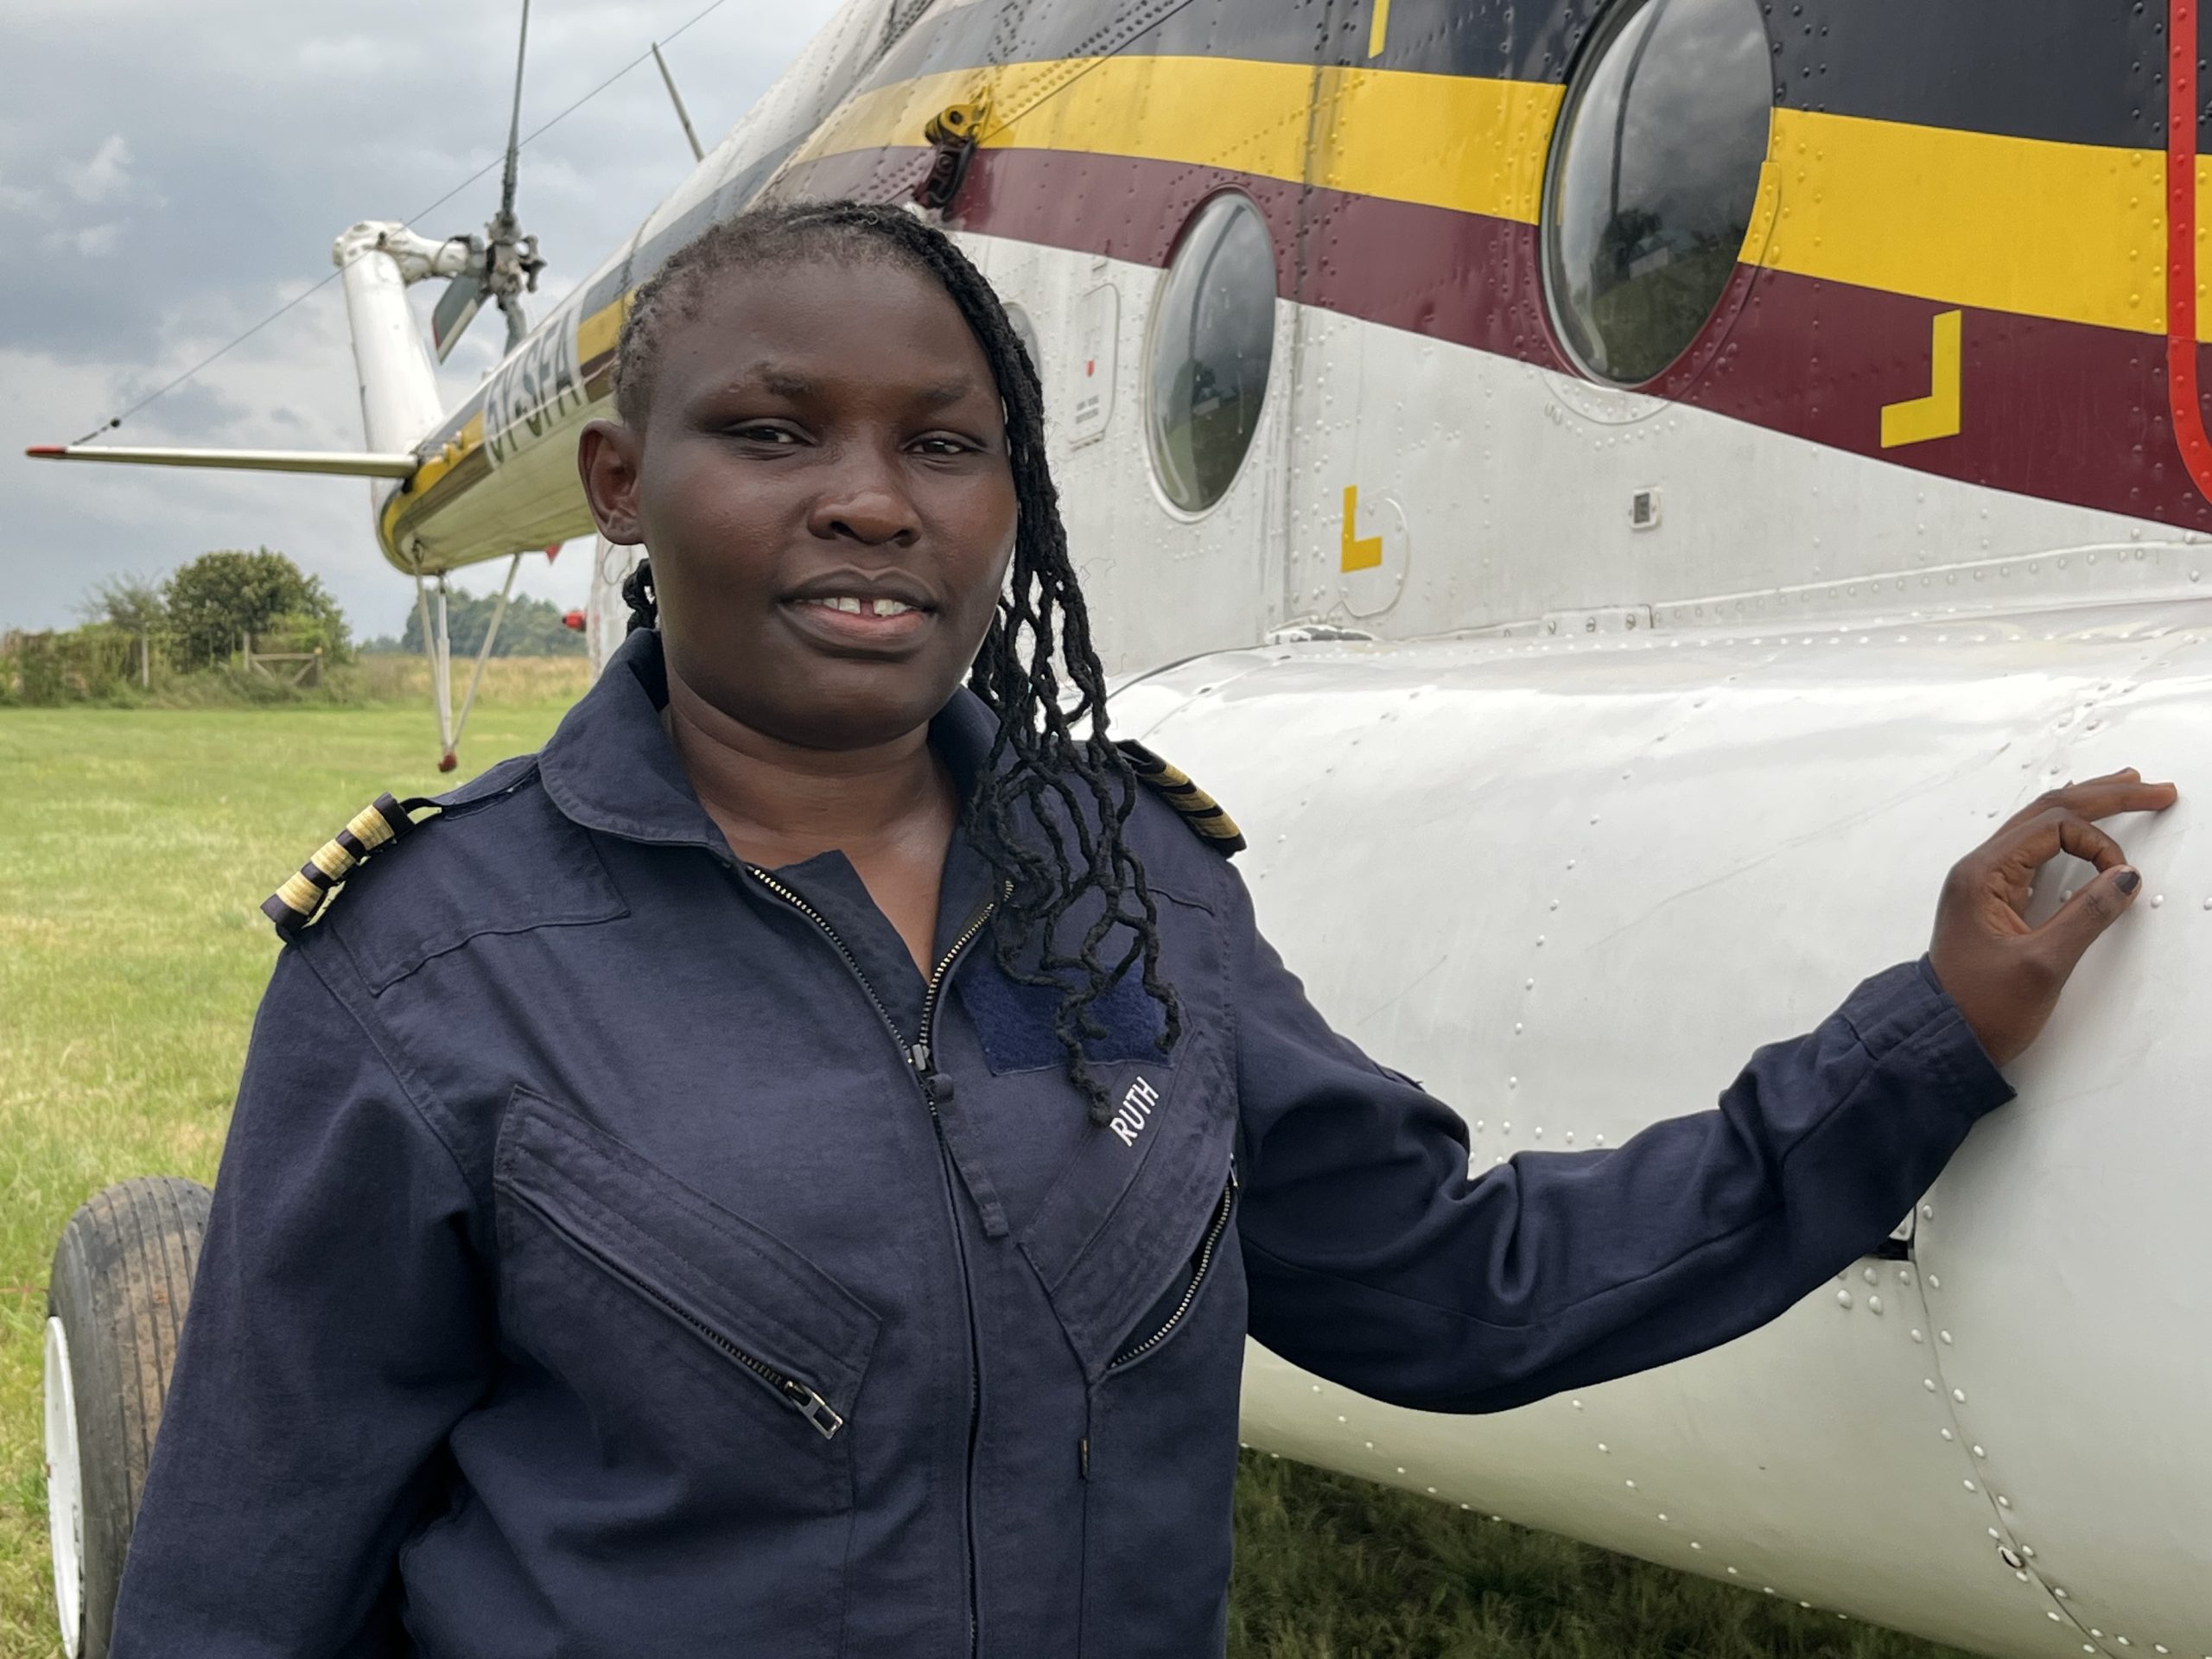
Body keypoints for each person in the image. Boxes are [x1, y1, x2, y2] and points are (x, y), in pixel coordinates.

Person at [110, 201, 2174, 1658]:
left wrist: (1921, 1040)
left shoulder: (1136, 893)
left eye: (945, 446)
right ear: (619, 483)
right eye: (773, 432)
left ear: (1008, 503)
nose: (871, 499)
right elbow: (244, 1583)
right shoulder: (427, 972)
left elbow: (1452, 1293)